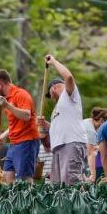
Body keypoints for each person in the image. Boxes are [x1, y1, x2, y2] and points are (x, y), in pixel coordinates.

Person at [36, 54, 87, 186]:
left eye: (50, 94)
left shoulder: (70, 94)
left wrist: (53, 62)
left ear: (53, 89)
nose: (51, 97)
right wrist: (45, 124)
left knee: (71, 183)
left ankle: (80, 206)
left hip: (71, 143)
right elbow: (57, 126)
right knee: (58, 186)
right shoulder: (58, 107)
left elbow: (69, 77)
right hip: (58, 147)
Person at [0, 69, 38, 183]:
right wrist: (2, 136)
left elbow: (26, 115)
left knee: (24, 178)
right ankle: (13, 200)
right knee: (7, 175)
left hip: (27, 141)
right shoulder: (8, 99)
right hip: (14, 143)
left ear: (1, 84)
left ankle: (27, 200)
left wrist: (7, 106)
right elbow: (14, 124)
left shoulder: (21, 94)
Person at [83, 107, 107, 181]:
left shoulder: (87, 122)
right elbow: (90, 153)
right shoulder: (90, 130)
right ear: (101, 120)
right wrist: (93, 175)